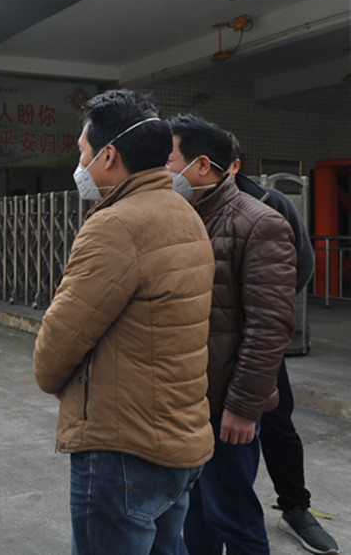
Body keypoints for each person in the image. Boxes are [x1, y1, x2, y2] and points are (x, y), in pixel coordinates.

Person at [32, 90, 216, 555]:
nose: (80, 164)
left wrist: (53, 380)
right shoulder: (184, 213)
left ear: (109, 155)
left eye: (83, 152)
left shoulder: (117, 224)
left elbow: (60, 340)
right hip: (178, 432)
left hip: (123, 446)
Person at [168, 114, 297, 555]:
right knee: (193, 514)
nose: (162, 171)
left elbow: (270, 326)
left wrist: (243, 407)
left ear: (202, 165)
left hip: (227, 406)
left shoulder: (259, 222)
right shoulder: (182, 218)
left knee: (232, 516)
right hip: (187, 401)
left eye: (168, 160)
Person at [230, 149, 339, 555]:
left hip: (259, 336)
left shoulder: (268, 203)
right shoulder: (185, 202)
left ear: (231, 164)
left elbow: (302, 264)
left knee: (277, 422)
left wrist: (267, 310)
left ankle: (295, 507)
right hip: (204, 340)